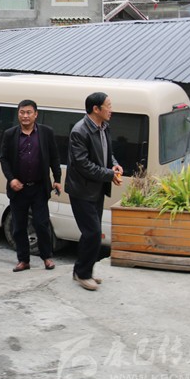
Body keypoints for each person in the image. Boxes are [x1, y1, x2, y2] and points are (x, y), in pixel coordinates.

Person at [65, 92, 123, 291]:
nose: (111, 110)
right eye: (108, 106)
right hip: (82, 190)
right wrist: (109, 174)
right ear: (96, 109)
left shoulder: (103, 127)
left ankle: (82, 270)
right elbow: (83, 165)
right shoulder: (79, 131)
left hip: (96, 189)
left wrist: (114, 165)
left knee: (90, 233)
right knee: (93, 233)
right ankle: (83, 275)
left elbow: (106, 153)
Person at [0, 99, 62, 272]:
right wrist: (11, 179)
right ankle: (23, 260)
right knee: (19, 227)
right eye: (22, 112)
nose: (25, 116)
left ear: (35, 114)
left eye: (28, 112)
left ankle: (47, 257)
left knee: (42, 224)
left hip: (39, 188)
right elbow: (4, 159)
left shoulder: (46, 133)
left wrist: (57, 179)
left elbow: (55, 157)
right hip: (18, 189)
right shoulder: (10, 134)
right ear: (18, 114)